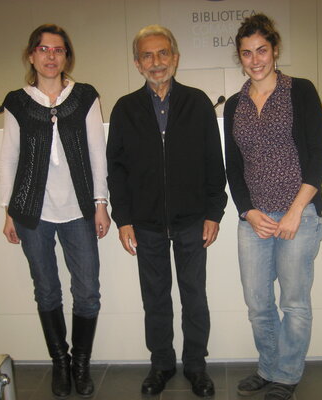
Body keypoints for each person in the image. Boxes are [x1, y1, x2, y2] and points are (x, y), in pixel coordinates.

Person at [106, 25, 227, 398]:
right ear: (137, 63)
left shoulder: (197, 102)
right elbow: (116, 170)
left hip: (192, 221)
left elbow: (214, 161)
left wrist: (214, 212)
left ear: (175, 57)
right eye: (147, 55)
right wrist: (123, 219)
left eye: (162, 53)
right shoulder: (125, 109)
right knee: (155, 298)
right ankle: (161, 364)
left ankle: (196, 366)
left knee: (194, 297)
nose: (156, 61)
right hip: (146, 224)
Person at [0, 24, 110, 399]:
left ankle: (81, 364)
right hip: (32, 212)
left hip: (79, 209)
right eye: (44, 49)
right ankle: (60, 362)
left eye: (58, 50)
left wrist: (101, 203)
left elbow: (97, 153)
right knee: (46, 291)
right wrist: (8, 211)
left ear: (66, 57)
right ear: (31, 55)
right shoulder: (17, 101)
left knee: (88, 291)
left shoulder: (85, 96)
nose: (51, 56)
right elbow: (8, 158)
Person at [224, 14, 322, 400]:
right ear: (240, 57)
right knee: (257, 303)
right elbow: (233, 166)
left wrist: (296, 210)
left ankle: (286, 375)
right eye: (247, 53)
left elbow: (320, 153)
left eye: (262, 50)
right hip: (254, 219)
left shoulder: (299, 91)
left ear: (275, 50)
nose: (255, 60)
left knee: (294, 302)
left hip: (298, 215)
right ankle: (268, 368)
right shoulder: (234, 104)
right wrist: (248, 211)